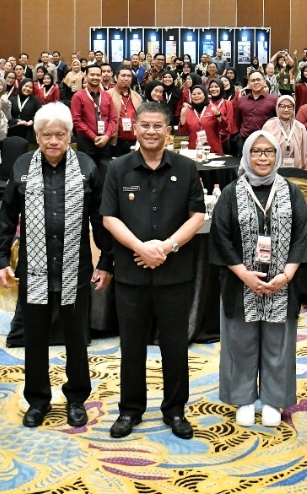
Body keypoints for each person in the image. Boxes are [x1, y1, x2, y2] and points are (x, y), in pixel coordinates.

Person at [0, 103, 113, 428]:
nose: (54, 141)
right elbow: (7, 216)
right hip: (34, 270)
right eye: (47, 135)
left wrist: (106, 260)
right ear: (37, 135)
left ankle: (76, 399)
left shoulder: (87, 165)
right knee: (34, 339)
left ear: (70, 135)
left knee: (76, 338)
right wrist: (0, 258)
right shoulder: (22, 165)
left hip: (76, 269)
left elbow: (100, 218)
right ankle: (38, 400)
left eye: (60, 134)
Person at [101, 102, 206, 440]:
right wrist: (141, 248)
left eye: (157, 125)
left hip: (174, 273)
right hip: (131, 274)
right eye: (144, 125)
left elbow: (198, 215)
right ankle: (130, 410)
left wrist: (167, 246)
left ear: (168, 131)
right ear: (135, 128)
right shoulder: (118, 168)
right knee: (131, 345)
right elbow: (109, 218)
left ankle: (175, 410)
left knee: (175, 345)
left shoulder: (186, 168)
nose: (150, 131)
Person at [209, 130, 307, 428]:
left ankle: (272, 400)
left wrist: (287, 274)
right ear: (246, 155)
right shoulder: (231, 192)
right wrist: (245, 274)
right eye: (256, 151)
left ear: (277, 155)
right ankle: (243, 399)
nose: (263, 157)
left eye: (269, 151)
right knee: (240, 341)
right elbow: (220, 238)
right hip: (239, 282)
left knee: (278, 342)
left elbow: (302, 234)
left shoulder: (291, 191)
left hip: (283, 282)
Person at [71, 65, 116, 182]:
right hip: (87, 143)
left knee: (105, 176)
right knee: (88, 176)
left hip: (105, 142)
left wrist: (106, 136)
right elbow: (77, 121)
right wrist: (94, 137)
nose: (95, 77)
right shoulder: (78, 96)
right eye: (92, 75)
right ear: (86, 77)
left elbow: (113, 119)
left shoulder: (107, 96)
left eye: (98, 75)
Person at [263, 95, 307, 172]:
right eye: (283, 106)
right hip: (273, 171)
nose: (286, 109)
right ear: (277, 107)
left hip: (296, 172)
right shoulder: (269, 126)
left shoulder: (300, 127)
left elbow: (306, 151)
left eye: (290, 107)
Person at [235, 71, 279, 143]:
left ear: (264, 81)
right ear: (248, 83)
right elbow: (238, 121)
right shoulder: (241, 101)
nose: (256, 82)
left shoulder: (274, 100)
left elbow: (277, 121)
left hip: (267, 140)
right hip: (245, 140)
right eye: (253, 80)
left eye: (258, 80)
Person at [181, 85, 227, 155]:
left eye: (199, 93)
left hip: (212, 149)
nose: (196, 96)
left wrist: (218, 115)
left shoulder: (213, 108)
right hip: (194, 150)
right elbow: (182, 131)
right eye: (194, 94)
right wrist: (182, 117)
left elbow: (224, 126)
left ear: (205, 95)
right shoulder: (188, 110)